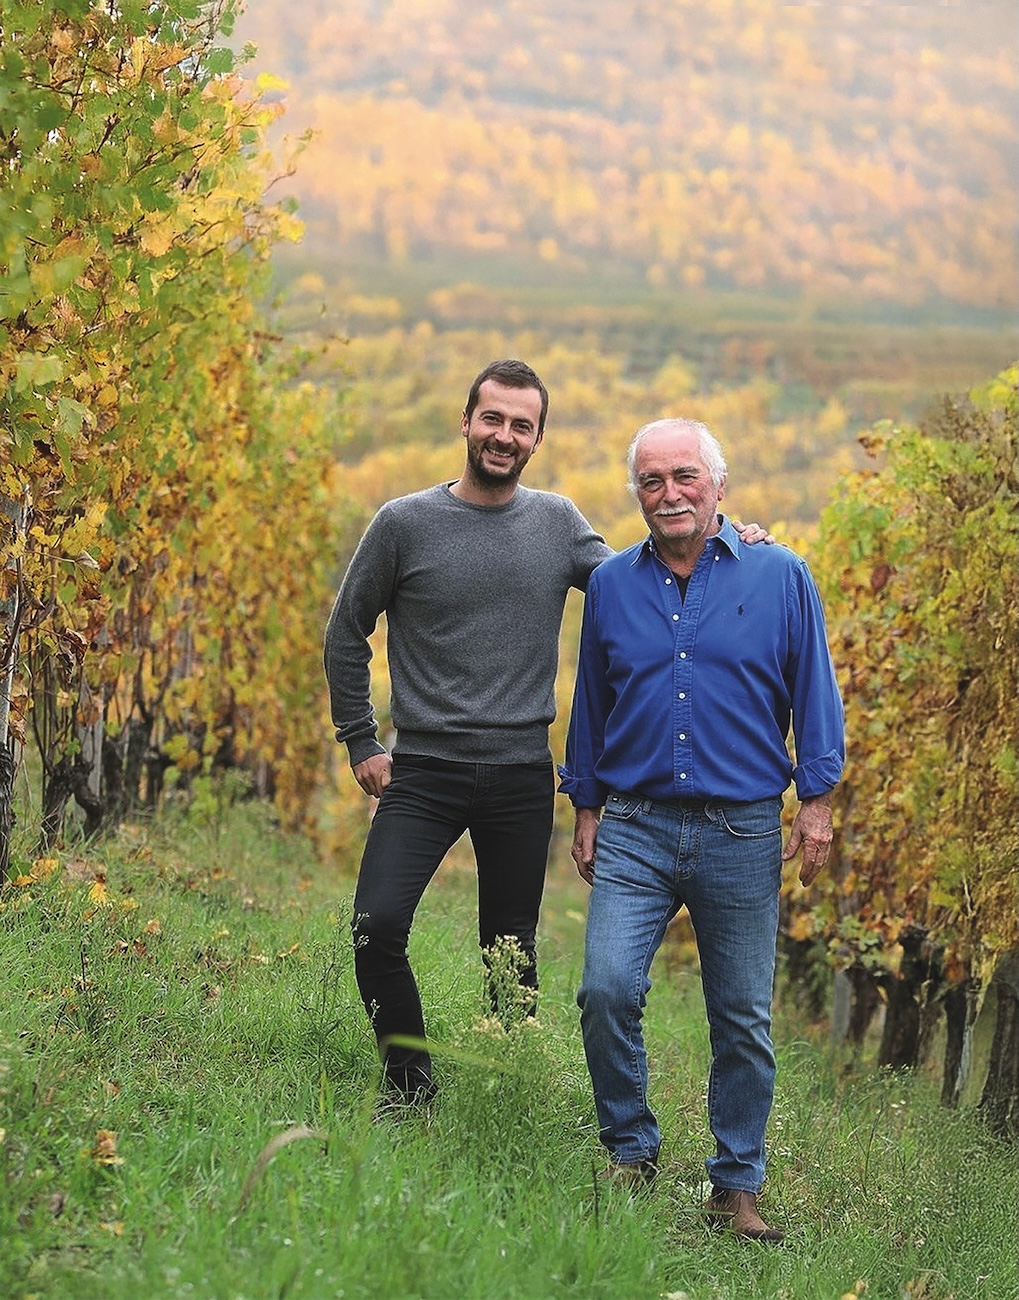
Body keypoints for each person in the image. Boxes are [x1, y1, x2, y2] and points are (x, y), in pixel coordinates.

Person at [324, 366, 769, 1108]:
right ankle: (408, 1088)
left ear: (537, 438)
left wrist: (734, 541)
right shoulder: (402, 523)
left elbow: (646, 579)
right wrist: (360, 741)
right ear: (465, 422)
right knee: (375, 927)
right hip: (424, 769)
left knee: (511, 952)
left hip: (519, 775)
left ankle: (512, 1093)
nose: (504, 436)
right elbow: (346, 631)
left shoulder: (558, 522)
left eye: (520, 425)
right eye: (492, 419)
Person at [558, 417, 844, 1242]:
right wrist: (586, 805)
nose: (669, 493)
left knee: (742, 1017)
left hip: (743, 829)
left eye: (684, 476)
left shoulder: (781, 573)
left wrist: (816, 798)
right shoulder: (611, 582)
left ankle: (736, 1186)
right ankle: (631, 1149)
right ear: (637, 494)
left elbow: (812, 690)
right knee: (606, 989)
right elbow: (592, 704)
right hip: (637, 826)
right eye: (651, 481)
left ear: (718, 485)